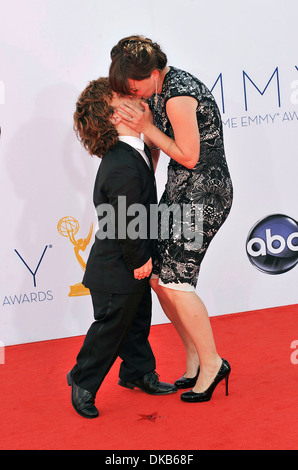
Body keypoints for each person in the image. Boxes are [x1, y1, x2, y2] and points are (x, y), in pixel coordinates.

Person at [109, 35, 233, 403]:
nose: (132, 92)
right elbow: (161, 149)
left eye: (133, 85)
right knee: (160, 279)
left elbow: (191, 156)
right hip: (178, 193)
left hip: (204, 195)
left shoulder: (178, 93)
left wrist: (147, 127)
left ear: (153, 72)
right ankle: (194, 355)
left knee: (177, 282)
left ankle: (213, 364)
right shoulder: (155, 92)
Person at [67, 77, 177, 419]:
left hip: (125, 262)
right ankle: (82, 380)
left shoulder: (134, 151)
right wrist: (140, 259)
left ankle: (137, 372)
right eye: (121, 97)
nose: (133, 96)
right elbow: (123, 219)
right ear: (114, 117)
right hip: (118, 266)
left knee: (137, 320)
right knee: (112, 327)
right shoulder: (120, 162)